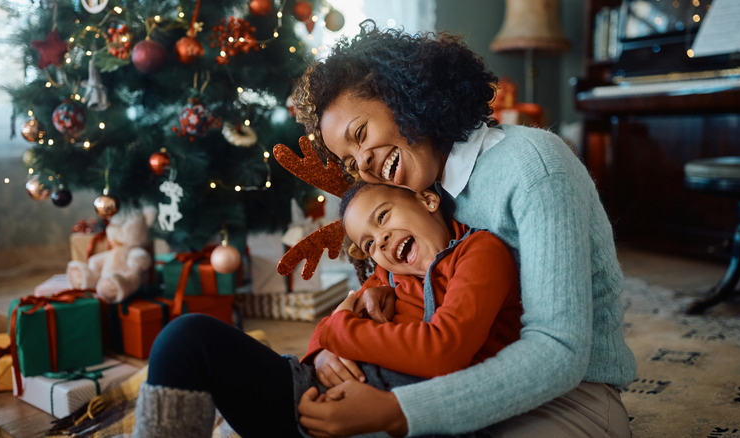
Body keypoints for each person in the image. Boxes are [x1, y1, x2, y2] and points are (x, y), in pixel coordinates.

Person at [292, 20, 636, 438]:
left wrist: (400, 411)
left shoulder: (534, 168)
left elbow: (559, 352)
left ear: (401, 95)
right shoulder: (420, 189)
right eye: (350, 162)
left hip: (569, 395)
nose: (362, 164)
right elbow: (370, 297)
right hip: (452, 378)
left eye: (360, 135)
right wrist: (326, 351)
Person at [133, 179, 522, 437]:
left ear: (428, 199)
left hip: (401, 417)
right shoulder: (388, 273)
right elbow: (332, 325)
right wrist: (322, 350)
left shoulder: (479, 252)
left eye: (383, 216)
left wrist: (339, 329)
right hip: (312, 397)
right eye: (369, 245)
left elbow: (444, 351)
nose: (381, 242)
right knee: (186, 337)